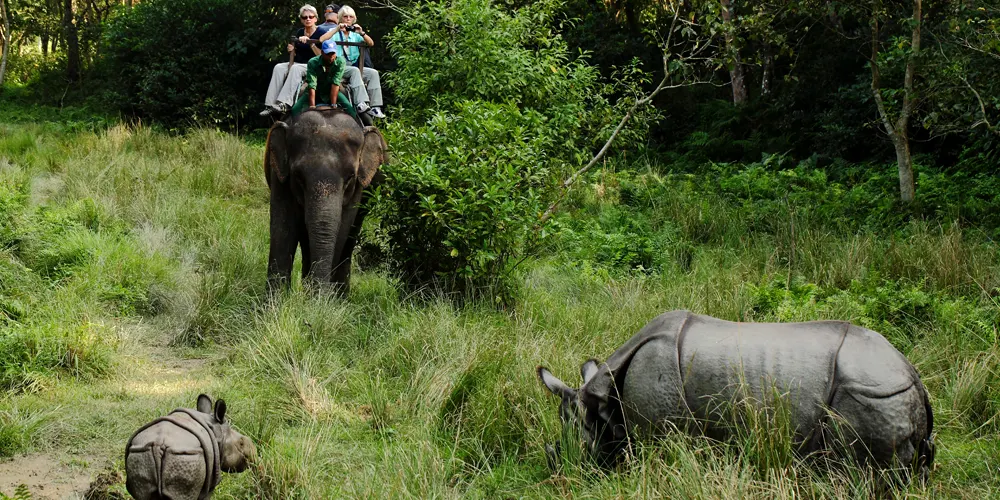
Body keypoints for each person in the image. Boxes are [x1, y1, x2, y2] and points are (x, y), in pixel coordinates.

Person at [260, 5, 330, 116]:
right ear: (301, 19)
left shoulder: (322, 33)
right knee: (278, 67)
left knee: (295, 68)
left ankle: (284, 103)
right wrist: (292, 50)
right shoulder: (300, 32)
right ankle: (270, 105)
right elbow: (297, 52)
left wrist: (311, 43)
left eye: (311, 17)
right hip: (299, 63)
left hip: (315, 65)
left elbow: (323, 55)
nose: (308, 19)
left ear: (316, 19)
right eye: (304, 17)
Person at [320, 5, 385, 119]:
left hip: (352, 66)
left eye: (351, 17)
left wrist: (362, 33)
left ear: (354, 19)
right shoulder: (334, 31)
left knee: (373, 73)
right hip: (338, 66)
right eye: (345, 16)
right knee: (355, 71)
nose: (348, 19)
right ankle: (361, 103)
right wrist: (336, 29)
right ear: (340, 18)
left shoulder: (355, 34)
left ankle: (375, 107)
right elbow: (321, 40)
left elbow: (371, 44)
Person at [290, 39, 356, 117]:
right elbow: (312, 84)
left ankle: (363, 124)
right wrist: (312, 107)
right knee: (295, 110)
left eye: (333, 53)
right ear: (322, 52)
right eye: (328, 54)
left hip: (332, 92)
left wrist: (333, 105)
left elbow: (336, 82)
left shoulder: (340, 62)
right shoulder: (312, 62)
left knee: (350, 110)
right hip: (315, 91)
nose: (331, 57)